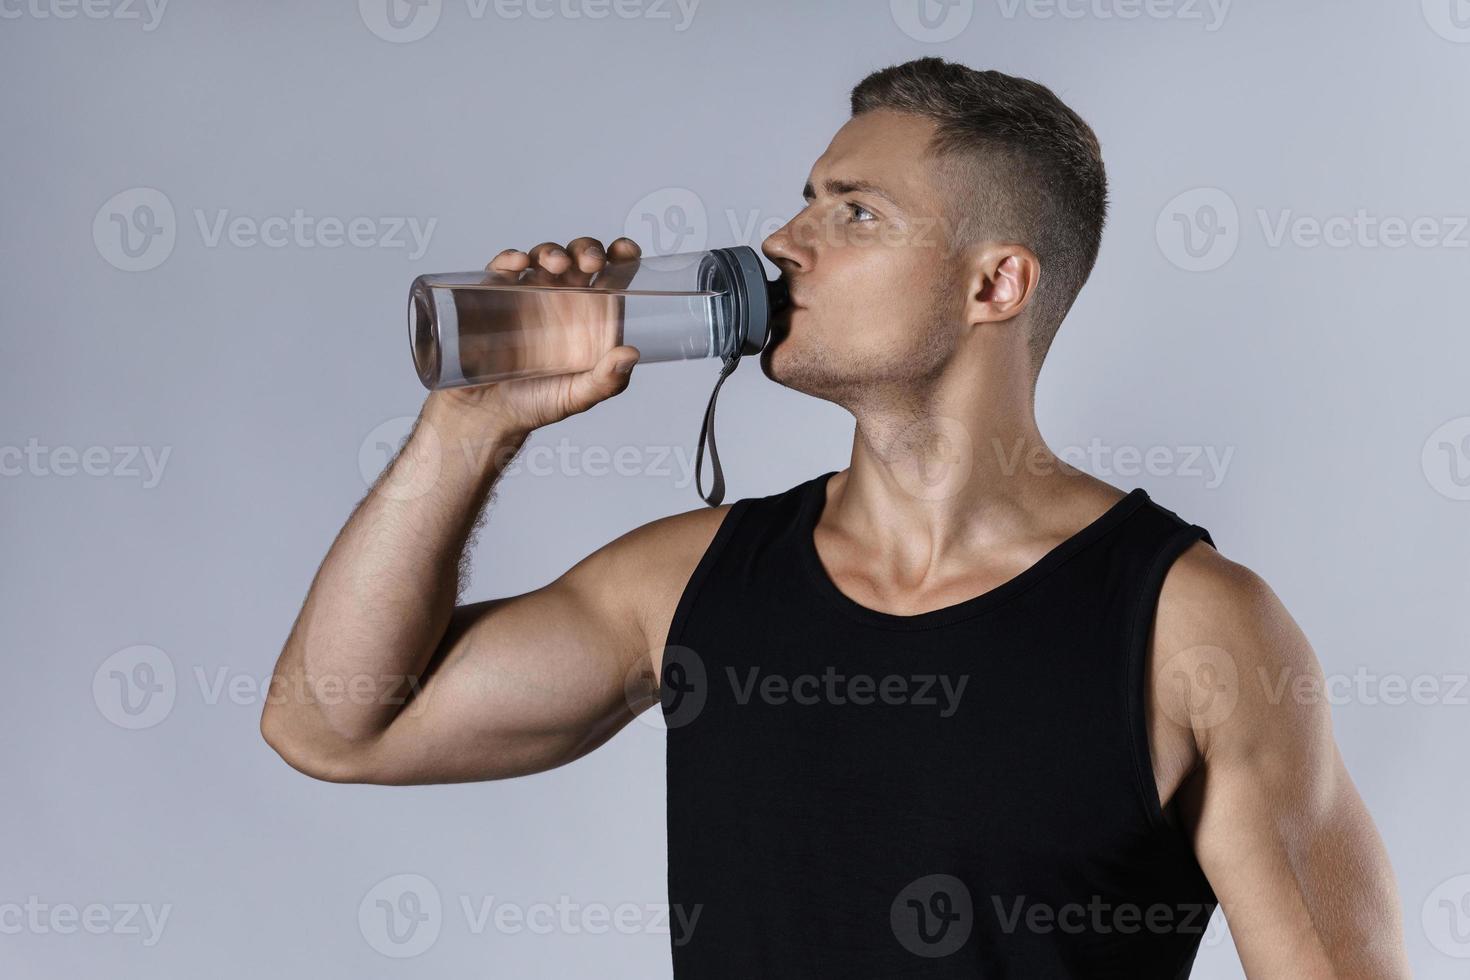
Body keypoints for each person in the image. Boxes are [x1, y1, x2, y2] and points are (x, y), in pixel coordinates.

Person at [261, 57, 1410, 977]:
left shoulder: (1194, 630)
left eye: (854, 212)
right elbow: (335, 727)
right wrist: (472, 426)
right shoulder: (691, 579)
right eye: (807, 199)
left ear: (992, 285)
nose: (783, 245)